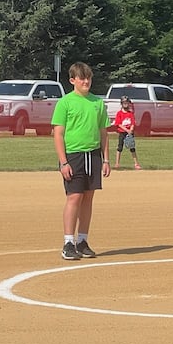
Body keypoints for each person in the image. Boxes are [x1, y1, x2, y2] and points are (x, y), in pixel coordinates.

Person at [52, 62, 111, 260]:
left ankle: (82, 241)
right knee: (74, 197)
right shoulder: (65, 103)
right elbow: (58, 134)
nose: (86, 81)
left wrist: (106, 160)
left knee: (88, 198)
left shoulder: (97, 103)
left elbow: (103, 132)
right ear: (72, 80)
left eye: (89, 78)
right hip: (73, 155)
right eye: (82, 78)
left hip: (93, 155)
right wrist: (63, 162)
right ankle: (68, 242)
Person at [113, 95, 141, 169]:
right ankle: (117, 164)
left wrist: (131, 130)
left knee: (132, 148)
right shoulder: (119, 113)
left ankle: (136, 164)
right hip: (122, 132)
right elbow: (119, 124)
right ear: (121, 104)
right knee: (120, 147)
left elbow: (133, 123)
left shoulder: (130, 113)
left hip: (129, 133)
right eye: (124, 103)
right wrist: (127, 130)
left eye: (127, 102)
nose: (126, 104)